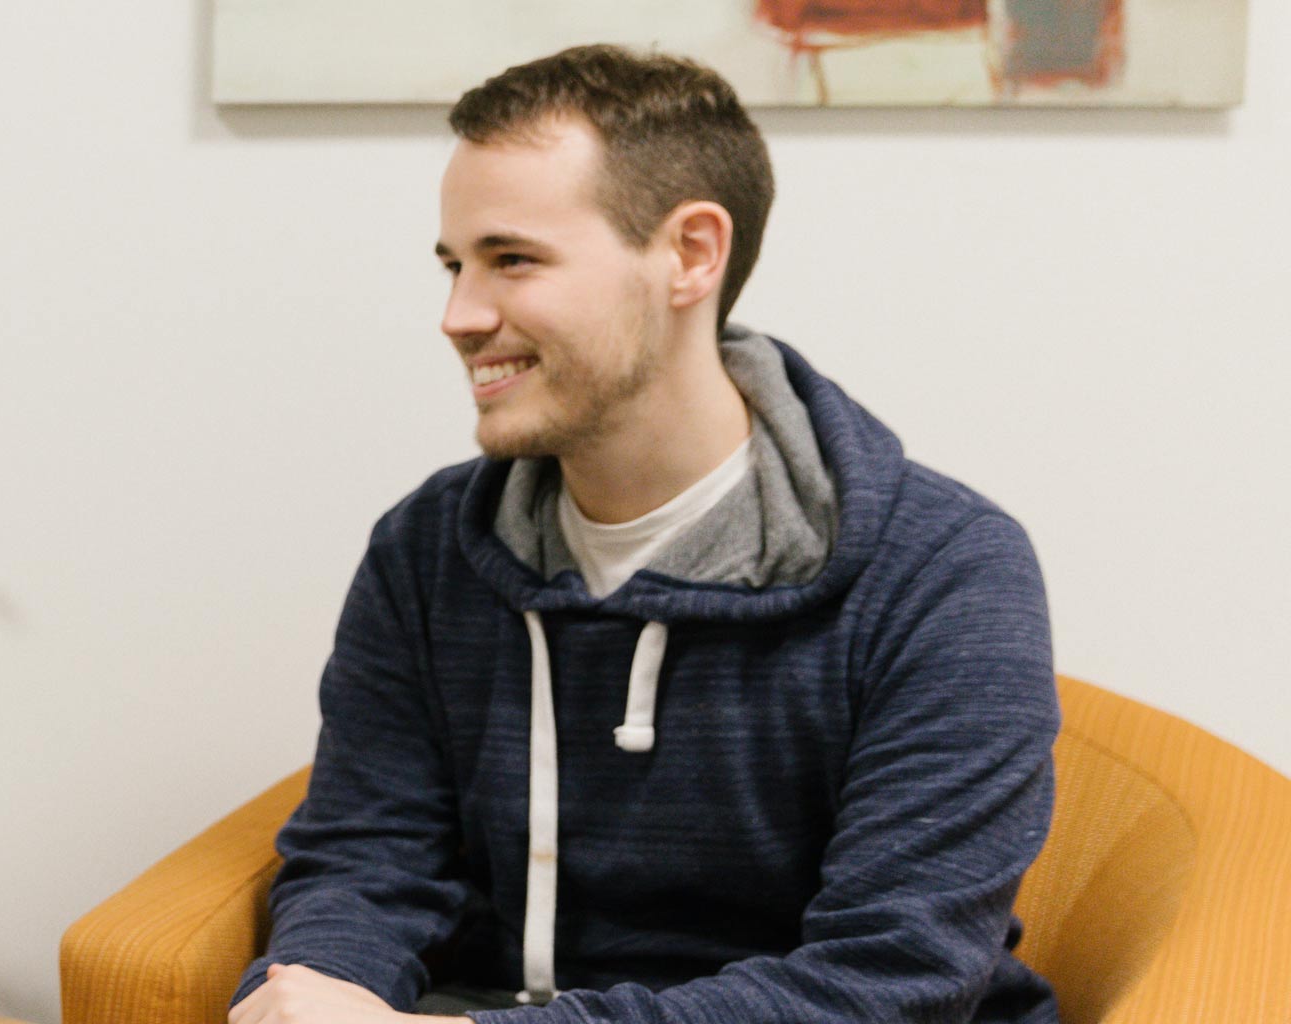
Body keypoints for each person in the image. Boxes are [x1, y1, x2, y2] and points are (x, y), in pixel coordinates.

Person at [229, 45, 1059, 1024]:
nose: (458, 315)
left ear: (691, 254)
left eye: (513, 259)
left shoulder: (944, 570)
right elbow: (368, 858)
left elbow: (892, 978)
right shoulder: (429, 547)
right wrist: (322, 990)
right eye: (455, 265)